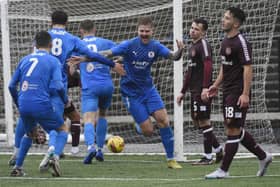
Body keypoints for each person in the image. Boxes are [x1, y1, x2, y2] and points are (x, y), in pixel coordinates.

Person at [69, 16, 184, 169]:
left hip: (149, 90)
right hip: (131, 93)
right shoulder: (128, 45)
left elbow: (174, 57)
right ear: (137, 30)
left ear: (152, 31)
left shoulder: (156, 46)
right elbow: (106, 54)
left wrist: (180, 50)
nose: (144, 34)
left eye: (147, 31)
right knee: (148, 131)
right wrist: (84, 59)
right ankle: (139, 125)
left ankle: (171, 159)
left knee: (163, 120)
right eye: (141, 31)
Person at [38, 10, 125, 169]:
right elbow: (116, 53)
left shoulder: (45, 37)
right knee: (90, 117)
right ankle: (95, 149)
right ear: (67, 22)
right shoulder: (74, 40)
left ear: (51, 21)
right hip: (82, 85)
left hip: (43, 85)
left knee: (61, 121)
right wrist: (114, 63)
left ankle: (25, 156)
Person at [205, 7, 272, 179]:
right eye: (223, 17)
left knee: (232, 129)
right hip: (227, 91)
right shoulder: (225, 40)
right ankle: (263, 157)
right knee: (233, 127)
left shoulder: (241, 42)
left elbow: (248, 68)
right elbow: (224, 67)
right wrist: (216, 85)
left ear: (235, 23)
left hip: (236, 92)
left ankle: (223, 170)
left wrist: (245, 94)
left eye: (226, 18)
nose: (222, 20)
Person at [8, 31, 67, 177]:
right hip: (41, 103)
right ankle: (54, 156)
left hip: (24, 103)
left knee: (30, 134)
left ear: (35, 44)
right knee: (62, 129)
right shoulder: (53, 61)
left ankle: (18, 167)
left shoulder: (25, 59)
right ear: (50, 44)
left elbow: (11, 85)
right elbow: (59, 86)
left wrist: (18, 103)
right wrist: (65, 101)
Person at [176, 18, 223, 165]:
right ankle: (218, 149)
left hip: (202, 90)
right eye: (191, 28)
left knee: (203, 120)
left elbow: (208, 66)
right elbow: (189, 71)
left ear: (203, 32)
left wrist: (205, 87)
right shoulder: (192, 47)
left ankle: (208, 157)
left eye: (196, 29)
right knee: (198, 121)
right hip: (194, 90)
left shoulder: (203, 45)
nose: (192, 30)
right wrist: (183, 91)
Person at [77, 19, 117, 163]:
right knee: (103, 115)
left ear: (81, 30)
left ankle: (91, 147)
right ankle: (100, 149)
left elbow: (71, 62)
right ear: (95, 29)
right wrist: (116, 63)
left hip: (90, 86)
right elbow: (121, 53)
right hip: (107, 85)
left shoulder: (78, 44)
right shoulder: (105, 42)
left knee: (88, 118)